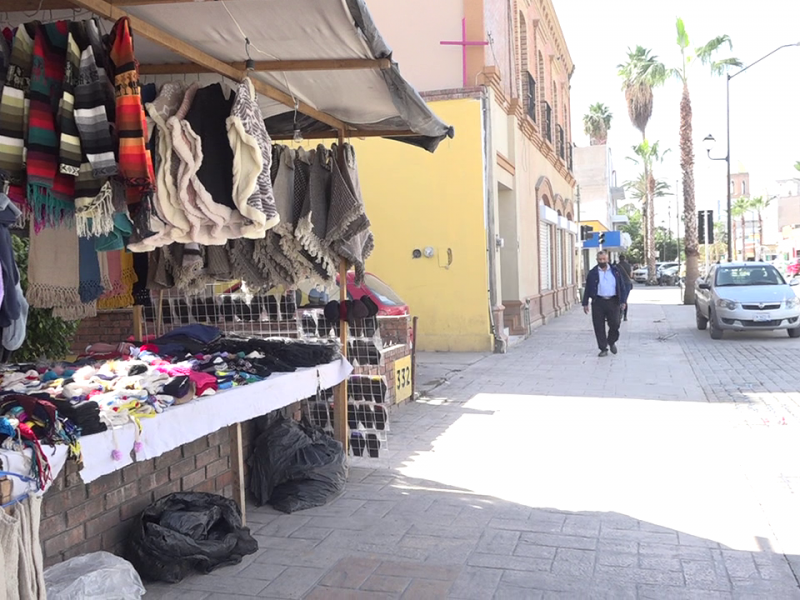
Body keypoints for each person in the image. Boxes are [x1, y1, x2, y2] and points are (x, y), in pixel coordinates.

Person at [582, 250, 629, 357]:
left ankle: (611, 341)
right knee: (598, 326)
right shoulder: (593, 272)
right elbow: (588, 289)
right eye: (600, 259)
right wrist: (585, 303)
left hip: (613, 301)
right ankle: (603, 348)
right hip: (598, 302)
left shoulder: (615, 271)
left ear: (607, 259)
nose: (602, 261)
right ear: (597, 260)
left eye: (604, 259)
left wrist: (623, 301)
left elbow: (621, 286)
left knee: (615, 324)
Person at [617, 253, 633, 321]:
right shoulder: (628, 265)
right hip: (627, 284)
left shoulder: (617, 266)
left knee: (619, 300)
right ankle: (625, 316)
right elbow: (630, 275)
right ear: (625, 258)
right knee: (625, 300)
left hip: (619, 284)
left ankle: (620, 314)